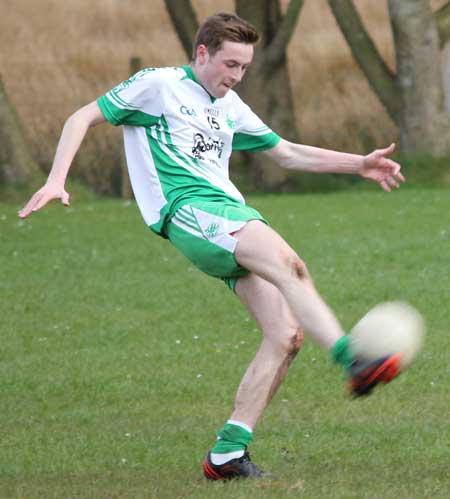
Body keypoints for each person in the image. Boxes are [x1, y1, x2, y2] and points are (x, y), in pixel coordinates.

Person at [19, 12, 405, 480]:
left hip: (222, 216)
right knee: (291, 264)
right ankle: (352, 359)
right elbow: (83, 116)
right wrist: (56, 179)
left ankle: (227, 454)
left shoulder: (229, 103)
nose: (236, 76)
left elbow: (284, 152)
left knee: (285, 335)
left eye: (244, 67)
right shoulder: (159, 85)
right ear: (202, 53)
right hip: (191, 211)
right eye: (229, 64)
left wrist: (358, 164)